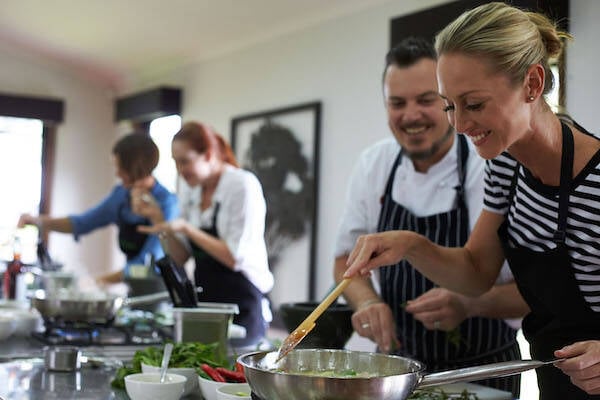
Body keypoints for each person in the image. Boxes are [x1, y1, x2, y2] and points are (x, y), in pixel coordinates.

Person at [343, 3, 600, 399]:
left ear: (532, 84)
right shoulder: (505, 165)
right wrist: (410, 245)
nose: (460, 125)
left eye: (474, 104)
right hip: (559, 381)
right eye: (450, 105)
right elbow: (477, 271)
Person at [333, 36, 528, 396]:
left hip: (484, 370)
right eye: (397, 103)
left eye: (426, 101)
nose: (411, 115)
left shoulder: (491, 165)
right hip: (395, 371)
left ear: (449, 102)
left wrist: (471, 303)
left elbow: (535, 291)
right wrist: (367, 301)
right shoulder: (374, 164)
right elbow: (345, 260)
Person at [137, 121, 274, 348]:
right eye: (175, 162)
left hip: (244, 302)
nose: (180, 170)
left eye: (185, 161)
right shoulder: (193, 190)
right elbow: (181, 257)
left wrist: (188, 229)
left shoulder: (242, 185)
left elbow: (234, 257)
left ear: (208, 154)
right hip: (209, 302)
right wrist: (159, 220)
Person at [18, 132, 179, 283]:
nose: (117, 173)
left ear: (134, 167)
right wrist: (37, 221)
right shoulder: (121, 196)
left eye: (120, 168)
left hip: (161, 288)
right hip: (133, 287)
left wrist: (95, 282)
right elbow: (82, 223)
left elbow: (147, 264)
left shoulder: (166, 203)